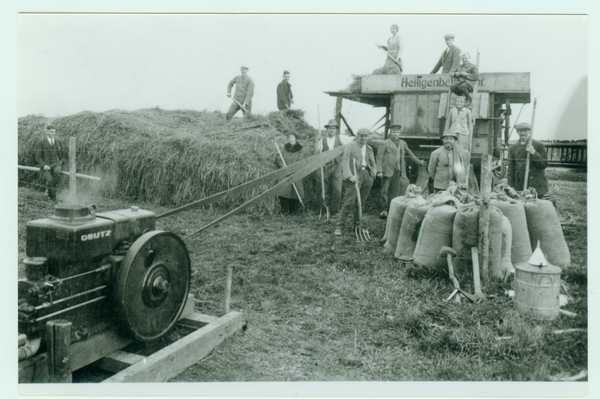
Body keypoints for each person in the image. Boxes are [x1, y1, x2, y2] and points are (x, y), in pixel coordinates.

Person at [376, 123, 426, 218]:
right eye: (394, 132)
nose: (395, 134)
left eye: (397, 132)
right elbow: (379, 157)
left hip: (398, 171)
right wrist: (379, 170)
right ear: (390, 132)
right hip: (387, 171)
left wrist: (419, 162)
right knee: (384, 191)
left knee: (395, 191)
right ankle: (384, 210)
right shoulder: (384, 143)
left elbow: (409, 153)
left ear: (399, 133)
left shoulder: (403, 143)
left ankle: (392, 209)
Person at [334, 128, 377, 236]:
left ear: (368, 137)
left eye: (366, 136)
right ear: (358, 136)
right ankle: (339, 226)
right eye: (361, 136)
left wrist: (373, 173)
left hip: (367, 175)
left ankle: (357, 225)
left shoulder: (369, 149)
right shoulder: (350, 146)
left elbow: (373, 163)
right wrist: (349, 176)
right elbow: (344, 162)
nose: (364, 138)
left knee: (361, 202)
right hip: (354, 176)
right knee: (349, 202)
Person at [315, 119, 353, 216]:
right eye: (330, 128)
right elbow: (316, 152)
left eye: (333, 128)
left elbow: (353, 140)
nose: (332, 130)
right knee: (325, 188)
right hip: (326, 166)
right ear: (327, 129)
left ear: (336, 130)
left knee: (337, 189)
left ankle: (335, 210)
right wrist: (316, 140)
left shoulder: (341, 138)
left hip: (337, 166)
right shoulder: (322, 140)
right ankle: (326, 209)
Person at [507, 123, 549, 198]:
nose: (522, 133)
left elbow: (544, 164)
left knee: (536, 208)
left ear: (529, 132)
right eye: (520, 131)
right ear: (517, 132)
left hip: (536, 186)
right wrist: (511, 186)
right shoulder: (513, 148)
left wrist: (534, 153)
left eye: (525, 130)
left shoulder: (538, 145)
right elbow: (511, 169)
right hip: (520, 186)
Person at [35, 124, 65, 202]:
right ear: (47, 132)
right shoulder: (41, 143)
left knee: (57, 173)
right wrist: (44, 165)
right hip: (46, 166)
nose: (53, 133)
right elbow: (38, 157)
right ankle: (53, 199)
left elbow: (64, 155)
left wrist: (61, 161)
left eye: (54, 132)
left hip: (56, 164)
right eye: (51, 132)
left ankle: (48, 191)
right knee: (50, 180)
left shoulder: (59, 142)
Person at [276, 133, 305, 214]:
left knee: (295, 192)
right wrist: (284, 168)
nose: (290, 139)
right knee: (284, 191)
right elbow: (279, 158)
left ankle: (294, 211)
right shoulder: (284, 148)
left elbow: (301, 160)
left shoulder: (300, 149)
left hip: (296, 172)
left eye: (292, 137)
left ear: (296, 138)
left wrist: (293, 169)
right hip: (285, 172)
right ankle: (284, 211)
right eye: (289, 137)